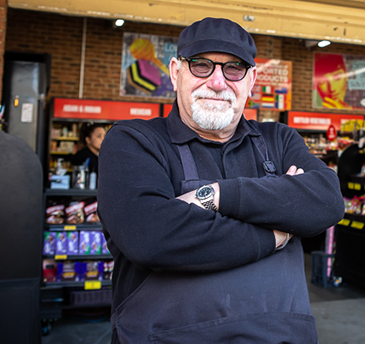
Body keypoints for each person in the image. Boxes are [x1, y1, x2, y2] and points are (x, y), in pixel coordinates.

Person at [97, 17, 344, 343]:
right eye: (201, 65)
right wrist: (274, 234)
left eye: (234, 69)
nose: (217, 82)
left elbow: (327, 200)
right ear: (175, 72)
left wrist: (216, 196)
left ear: (251, 79)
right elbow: (152, 236)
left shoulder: (279, 140)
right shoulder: (134, 141)